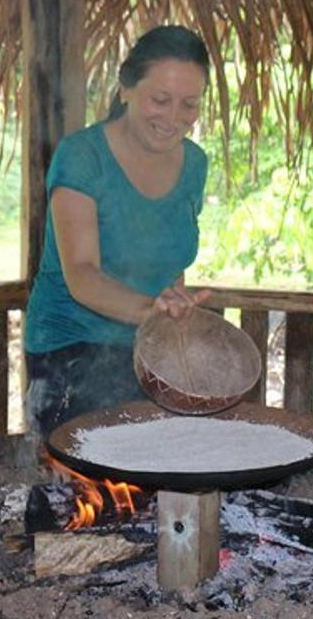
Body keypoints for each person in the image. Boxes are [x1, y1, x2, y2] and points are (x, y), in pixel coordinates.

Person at [23, 25, 212, 438]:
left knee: (144, 483)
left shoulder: (195, 164)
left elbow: (170, 262)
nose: (174, 118)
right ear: (125, 88)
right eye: (160, 100)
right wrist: (152, 312)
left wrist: (171, 304)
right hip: (68, 352)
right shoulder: (82, 156)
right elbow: (82, 275)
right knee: (74, 491)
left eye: (189, 105)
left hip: (147, 350)